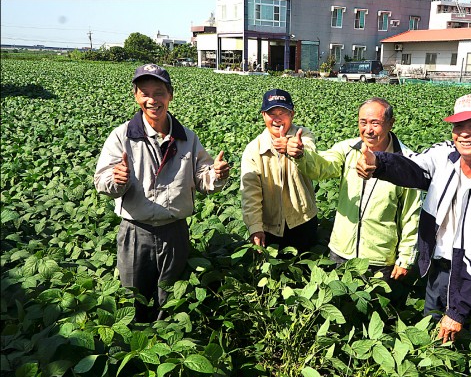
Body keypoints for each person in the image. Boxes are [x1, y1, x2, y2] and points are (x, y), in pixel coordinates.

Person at [356, 93, 471, 343]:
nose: (464, 134)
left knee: (460, 339)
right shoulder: (444, 155)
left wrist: (458, 311)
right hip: (438, 265)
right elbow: (413, 169)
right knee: (431, 328)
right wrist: (379, 163)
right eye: (459, 126)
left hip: (470, 279)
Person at [94, 64, 230, 322]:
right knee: (133, 301)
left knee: (170, 303)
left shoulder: (187, 138)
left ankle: (165, 346)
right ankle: (136, 354)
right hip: (136, 232)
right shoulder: (122, 136)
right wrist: (117, 179)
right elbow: (101, 180)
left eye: (159, 92)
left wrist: (217, 175)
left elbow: (203, 179)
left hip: (175, 231)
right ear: (136, 96)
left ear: (170, 95)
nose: (152, 100)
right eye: (144, 93)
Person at [286, 97, 422, 291]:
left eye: (375, 123)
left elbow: (412, 215)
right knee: (339, 306)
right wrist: (301, 155)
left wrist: (406, 258)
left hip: (379, 258)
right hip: (341, 251)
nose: (368, 129)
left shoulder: (406, 162)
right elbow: (322, 168)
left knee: (374, 309)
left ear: (391, 124)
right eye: (363, 122)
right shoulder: (348, 149)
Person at [240, 89, 318, 252]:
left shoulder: (303, 136)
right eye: (271, 113)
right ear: (263, 115)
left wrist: (295, 150)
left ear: (292, 114)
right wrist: (255, 226)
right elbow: (250, 193)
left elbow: (312, 159)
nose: (277, 119)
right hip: (270, 227)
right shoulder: (253, 150)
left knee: (305, 269)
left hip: (303, 221)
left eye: (282, 112)